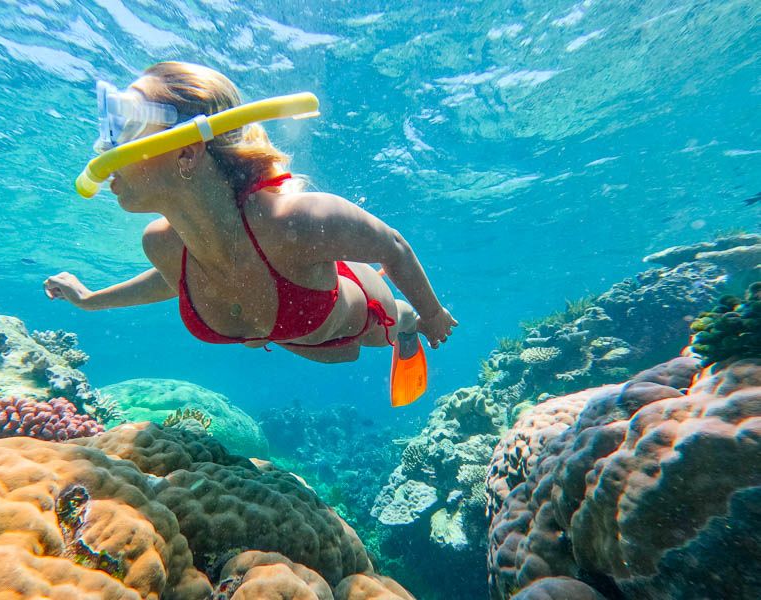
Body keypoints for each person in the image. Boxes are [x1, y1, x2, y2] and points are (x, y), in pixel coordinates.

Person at [44, 62, 456, 405]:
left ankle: (410, 325)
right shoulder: (161, 244)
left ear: (186, 151)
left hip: (358, 314)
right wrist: (91, 300)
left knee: (386, 328)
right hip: (295, 336)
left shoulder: (295, 221)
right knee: (332, 351)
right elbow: (175, 280)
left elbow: (393, 247)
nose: (104, 148)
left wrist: (433, 315)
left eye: (127, 122)